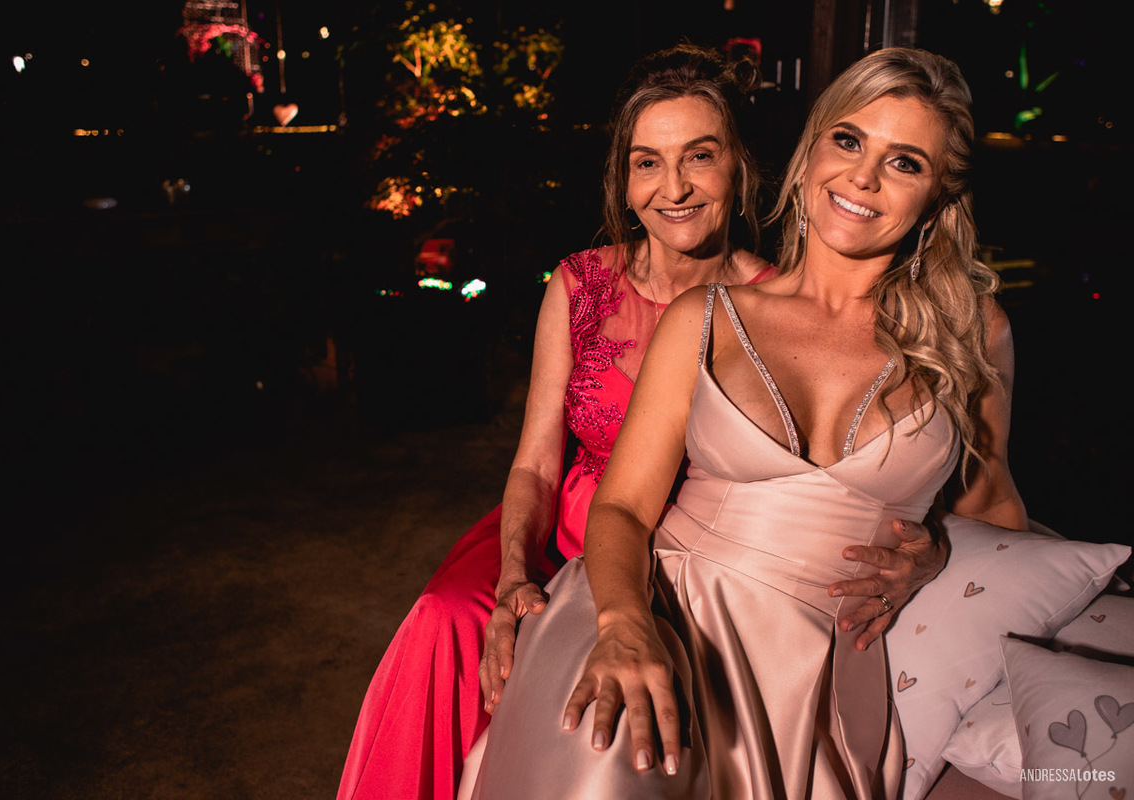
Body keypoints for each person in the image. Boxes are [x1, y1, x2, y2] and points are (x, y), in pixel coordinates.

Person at [337, 45, 946, 800]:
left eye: (700, 156)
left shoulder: (773, 303)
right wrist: (514, 577)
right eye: (647, 163)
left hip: (681, 550)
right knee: (448, 616)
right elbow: (534, 463)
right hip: (561, 526)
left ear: (740, 169)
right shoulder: (579, 284)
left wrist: (930, 547)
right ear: (623, 183)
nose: (674, 187)